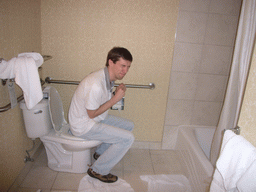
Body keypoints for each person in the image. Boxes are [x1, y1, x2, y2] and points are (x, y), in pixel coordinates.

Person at [68, 47, 135, 183]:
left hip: (95, 118)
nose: (125, 71)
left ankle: (100, 153)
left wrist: (115, 93)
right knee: (128, 139)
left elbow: (100, 102)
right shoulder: (95, 84)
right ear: (111, 62)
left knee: (129, 126)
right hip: (83, 125)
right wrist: (115, 99)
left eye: (128, 67)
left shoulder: (107, 77)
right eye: (122, 66)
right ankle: (97, 170)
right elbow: (91, 114)